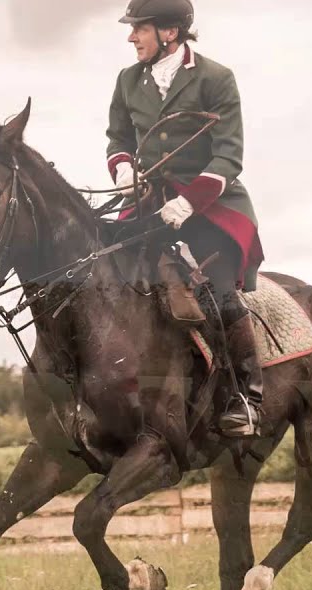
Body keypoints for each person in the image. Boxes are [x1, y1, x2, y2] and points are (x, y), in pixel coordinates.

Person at [104, 0, 267, 438]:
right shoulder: (127, 80)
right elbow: (118, 138)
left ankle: (245, 398)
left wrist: (189, 202)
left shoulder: (216, 78)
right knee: (108, 274)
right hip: (150, 204)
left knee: (219, 294)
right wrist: (123, 169)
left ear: (170, 32)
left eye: (139, 28)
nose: (131, 37)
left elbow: (228, 155)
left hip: (210, 206)